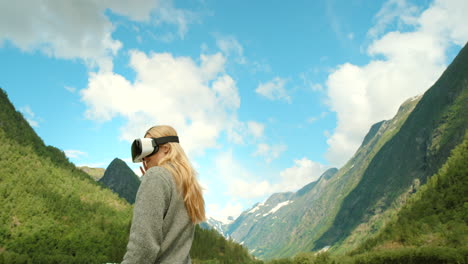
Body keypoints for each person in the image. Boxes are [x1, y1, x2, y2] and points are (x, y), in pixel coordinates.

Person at [122, 125, 206, 264]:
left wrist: (152, 179)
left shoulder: (156, 176)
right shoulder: (187, 184)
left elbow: (143, 247)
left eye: (148, 149)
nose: (144, 158)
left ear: (166, 148)